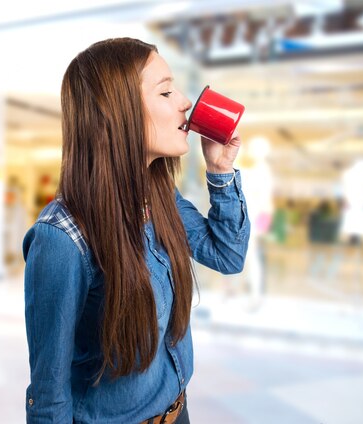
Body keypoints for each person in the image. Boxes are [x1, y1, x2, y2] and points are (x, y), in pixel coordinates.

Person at [22, 37, 250, 423]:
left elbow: (227, 255)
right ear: (117, 112)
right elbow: (49, 394)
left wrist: (220, 171)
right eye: (165, 91)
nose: (184, 101)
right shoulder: (61, 239)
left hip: (178, 413)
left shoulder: (159, 196)